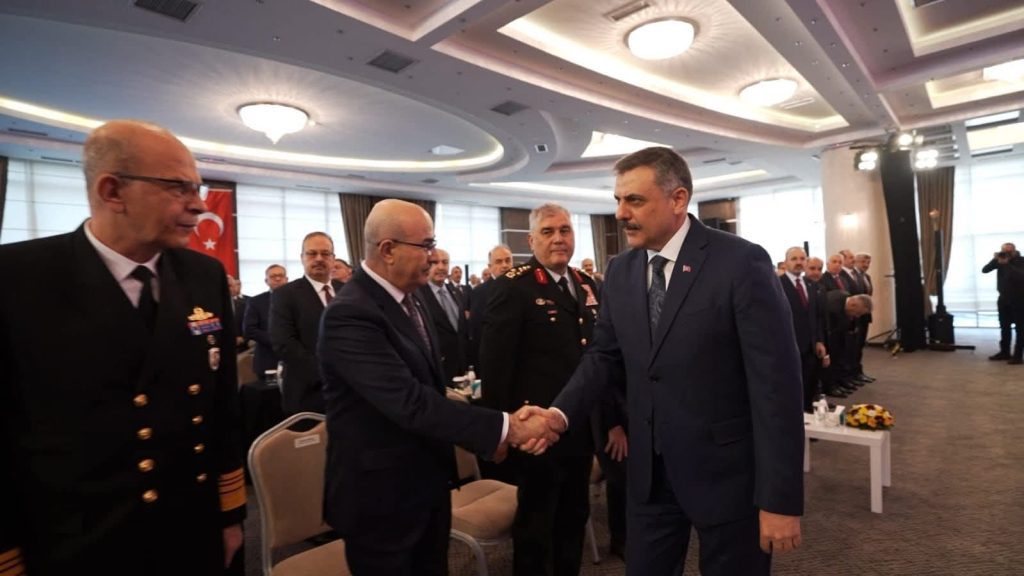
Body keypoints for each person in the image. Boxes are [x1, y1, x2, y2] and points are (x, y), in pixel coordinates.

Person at [537, 147, 804, 575]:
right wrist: (558, 414)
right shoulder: (620, 270)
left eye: (634, 200)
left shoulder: (740, 262)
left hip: (728, 478)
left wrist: (780, 499)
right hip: (649, 477)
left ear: (678, 199)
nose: (621, 214)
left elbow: (778, 387)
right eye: (618, 200)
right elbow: (603, 356)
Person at [0, 120, 246, 575]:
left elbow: (221, 409)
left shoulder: (202, 275)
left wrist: (230, 515)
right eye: (178, 187)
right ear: (112, 191)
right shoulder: (18, 279)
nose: (198, 204)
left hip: (190, 527)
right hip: (80, 545)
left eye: (197, 188)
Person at [317, 199, 559, 575]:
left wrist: (490, 433)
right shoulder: (350, 314)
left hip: (426, 486)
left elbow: (432, 390)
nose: (433, 256)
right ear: (388, 250)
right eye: (426, 245)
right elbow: (411, 403)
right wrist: (506, 427)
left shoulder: (411, 300)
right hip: (380, 501)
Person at [479, 203, 600, 576]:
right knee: (536, 525)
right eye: (548, 232)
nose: (558, 238)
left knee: (574, 515)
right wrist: (502, 431)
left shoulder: (585, 282)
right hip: (535, 430)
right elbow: (495, 368)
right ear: (531, 241)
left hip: (577, 426)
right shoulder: (513, 286)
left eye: (565, 230)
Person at [269, 232, 344, 415]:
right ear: (302, 258)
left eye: (325, 253)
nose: (319, 258)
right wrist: (329, 374)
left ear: (333, 258)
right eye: (312, 253)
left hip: (351, 393)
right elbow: (284, 343)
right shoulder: (285, 295)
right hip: (309, 392)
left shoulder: (347, 291)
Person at [779, 247, 828, 412]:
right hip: (788, 346)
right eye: (794, 259)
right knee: (791, 388)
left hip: (811, 347)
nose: (799, 262)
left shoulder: (811, 284)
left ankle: (808, 418)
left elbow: (815, 316)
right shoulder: (777, 285)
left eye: (802, 258)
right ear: (786, 263)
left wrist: (819, 340)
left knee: (809, 385)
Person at [416, 248, 469, 382]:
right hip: (438, 369)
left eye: (445, 262)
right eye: (435, 263)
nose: (441, 267)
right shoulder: (418, 295)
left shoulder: (456, 291)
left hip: (462, 367)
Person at [467, 244, 514, 369]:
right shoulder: (480, 292)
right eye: (499, 262)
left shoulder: (522, 288)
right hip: (494, 361)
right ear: (490, 267)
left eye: (508, 260)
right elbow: (478, 331)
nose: (504, 265)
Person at [243, 264, 288, 378]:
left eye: (281, 275)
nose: (277, 279)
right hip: (267, 358)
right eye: (273, 276)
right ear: (266, 281)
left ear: (286, 279)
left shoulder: (298, 299)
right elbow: (249, 329)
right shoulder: (256, 301)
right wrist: (275, 341)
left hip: (294, 359)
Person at [983, 243, 1024, 363]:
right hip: (1003, 299)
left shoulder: (1021, 260)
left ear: (1014, 251)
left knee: (1020, 328)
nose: (1006, 254)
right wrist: (995, 260)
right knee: (1004, 326)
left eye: (1009, 251)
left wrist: (1007, 264)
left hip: (1019, 299)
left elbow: (1020, 276)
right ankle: (1004, 352)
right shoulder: (999, 260)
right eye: (1004, 251)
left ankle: (1018, 356)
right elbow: (985, 270)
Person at [227, 274, 249, 350]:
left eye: (234, 285)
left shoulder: (244, 305)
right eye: (229, 286)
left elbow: (251, 326)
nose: (233, 288)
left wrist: (243, 338)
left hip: (240, 348)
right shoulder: (211, 306)